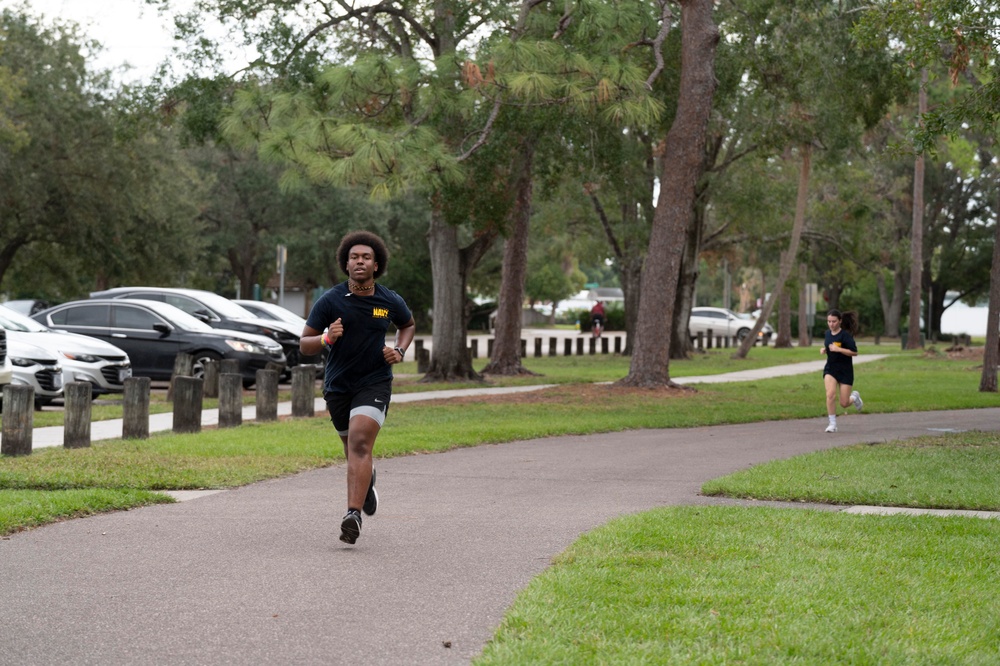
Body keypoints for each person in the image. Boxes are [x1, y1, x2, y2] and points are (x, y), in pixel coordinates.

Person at [300, 230, 415, 545]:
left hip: (374, 381)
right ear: (346, 264)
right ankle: (368, 479)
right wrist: (326, 338)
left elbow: (408, 324)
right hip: (338, 386)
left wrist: (400, 350)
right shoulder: (331, 300)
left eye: (366, 257)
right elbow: (304, 345)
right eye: (354, 257)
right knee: (352, 449)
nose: (360, 261)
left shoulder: (389, 300)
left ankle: (352, 515)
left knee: (360, 444)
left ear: (376, 265)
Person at [821, 308, 863, 433]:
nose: (831, 324)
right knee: (830, 395)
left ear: (840, 321)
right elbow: (829, 345)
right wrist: (824, 349)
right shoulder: (828, 334)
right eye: (829, 321)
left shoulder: (845, 336)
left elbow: (854, 352)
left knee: (844, 403)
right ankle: (832, 424)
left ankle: (854, 397)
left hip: (845, 371)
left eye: (833, 321)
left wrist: (839, 350)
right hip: (831, 369)